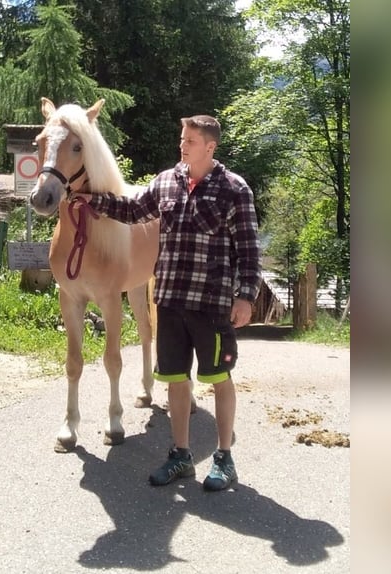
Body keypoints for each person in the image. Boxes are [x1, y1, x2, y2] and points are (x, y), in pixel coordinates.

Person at [74, 114, 261, 491]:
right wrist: (92, 200)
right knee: (176, 381)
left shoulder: (234, 189)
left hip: (212, 305)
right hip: (171, 302)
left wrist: (245, 296)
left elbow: (249, 249)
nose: (182, 145)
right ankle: (181, 455)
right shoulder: (165, 182)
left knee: (219, 379)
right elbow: (132, 211)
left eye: (190, 140)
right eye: (182, 138)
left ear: (210, 146)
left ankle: (224, 457)